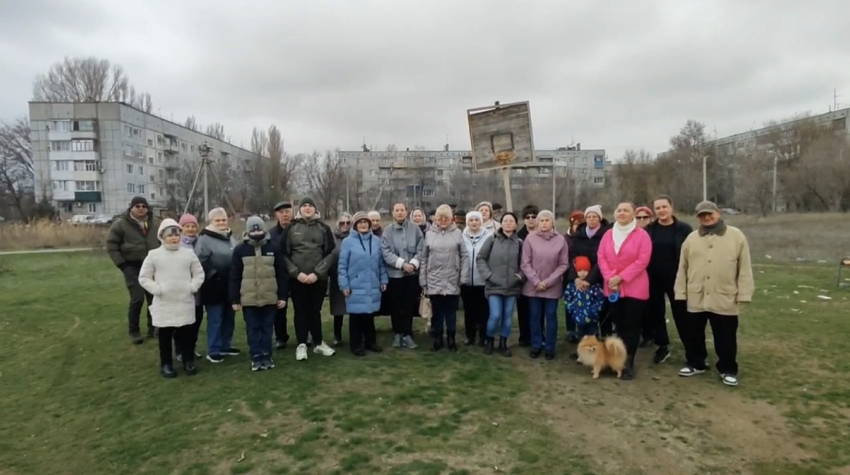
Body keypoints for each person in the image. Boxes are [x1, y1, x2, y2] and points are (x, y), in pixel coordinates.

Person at [674, 201, 753, 387]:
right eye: (702, 215)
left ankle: (728, 369)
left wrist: (744, 293)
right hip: (696, 295)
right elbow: (682, 268)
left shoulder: (736, 236)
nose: (707, 218)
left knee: (725, 336)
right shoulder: (691, 239)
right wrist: (680, 292)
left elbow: (745, 267)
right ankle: (696, 363)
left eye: (710, 214)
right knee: (693, 334)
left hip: (724, 296)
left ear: (718, 213)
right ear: (698, 217)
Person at [138, 219, 205, 378]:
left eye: (176, 235)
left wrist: (192, 287)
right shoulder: (154, 255)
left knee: (187, 334)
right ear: (162, 236)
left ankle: (188, 361)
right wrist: (158, 289)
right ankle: (166, 364)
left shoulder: (188, 254)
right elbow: (144, 277)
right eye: (170, 235)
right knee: (165, 335)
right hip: (164, 302)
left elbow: (199, 274)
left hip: (184, 300)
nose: (174, 238)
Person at [597, 202, 652, 380]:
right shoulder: (608, 234)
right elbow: (601, 257)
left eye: (626, 210)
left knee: (631, 326)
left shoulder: (642, 235)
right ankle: (616, 360)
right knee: (618, 326)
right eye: (619, 210)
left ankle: (628, 362)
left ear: (633, 214)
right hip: (612, 287)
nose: (622, 213)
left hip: (635, 287)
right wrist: (610, 277)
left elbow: (642, 260)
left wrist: (621, 277)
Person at [229, 216, 288, 371]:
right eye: (253, 230)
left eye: (259, 229)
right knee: (253, 328)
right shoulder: (240, 249)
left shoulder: (273, 248)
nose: (256, 233)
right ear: (248, 231)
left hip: (270, 297)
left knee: (267, 328)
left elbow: (282, 273)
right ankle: (256, 356)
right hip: (249, 298)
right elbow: (235, 275)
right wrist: (235, 299)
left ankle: (267, 355)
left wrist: (282, 296)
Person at [282, 197, 337, 361]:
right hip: (297, 279)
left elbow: (330, 253)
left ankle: (318, 343)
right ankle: (301, 345)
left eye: (310, 206)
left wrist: (317, 274)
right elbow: (284, 254)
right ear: (300, 209)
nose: (307, 208)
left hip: (317, 279)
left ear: (315, 209)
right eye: (304, 206)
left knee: (315, 311)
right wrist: (296, 273)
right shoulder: (291, 228)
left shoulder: (324, 228)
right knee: (300, 311)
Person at [645, 195, 693, 364]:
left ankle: (692, 350)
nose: (661, 211)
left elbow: (691, 254)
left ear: (671, 207)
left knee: (682, 315)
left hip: (677, 279)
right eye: (658, 208)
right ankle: (662, 346)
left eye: (664, 207)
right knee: (656, 314)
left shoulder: (684, 229)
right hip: (653, 279)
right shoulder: (649, 229)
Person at [106, 196, 161, 344]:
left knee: (153, 298)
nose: (141, 209)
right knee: (137, 298)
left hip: (151, 266)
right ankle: (134, 331)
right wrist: (122, 265)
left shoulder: (154, 223)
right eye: (138, 206)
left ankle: (154, 328)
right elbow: (112, 246)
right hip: (132, 266)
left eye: (143, 206)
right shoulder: (121, 225)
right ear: (132, 208)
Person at [521, 210, 569, 360]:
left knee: (551, 316)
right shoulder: (530, 238)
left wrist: (548, 282)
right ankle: (536, 345)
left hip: (552, 287)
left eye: (547, 220)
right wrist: (536, 281)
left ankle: (550, 347)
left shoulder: (560, 240)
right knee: (535, 316)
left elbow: (563, 264)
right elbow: (525, 263)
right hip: (533, 286)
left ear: (552, 222)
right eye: (541, 220)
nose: (544, 223)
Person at [338, 212, 388, 356]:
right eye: (360, 222)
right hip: (355, 285)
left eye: (365, 222)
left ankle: (370, 342)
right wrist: (344, 285)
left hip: (372, 283)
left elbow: (381, 264)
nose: (363, 224)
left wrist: (383, 280)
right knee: (356, 317)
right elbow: (342, 266)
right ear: (355, 225)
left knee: (369, 315)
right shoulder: (348, 242)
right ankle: (356, 345)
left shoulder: (376, 241)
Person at [420, 204, 469, 352]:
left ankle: (451, 338)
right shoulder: (429, 234)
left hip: (452, 278)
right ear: (435, 218)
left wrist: (463, 277)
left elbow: (464, 256)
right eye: (440, 218)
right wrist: (423, 280)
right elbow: (424, 258)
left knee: (451, 312)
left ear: (451, 219)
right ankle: (438, 338)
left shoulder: (457, 233)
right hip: (434, 279)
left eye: (446, 218)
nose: (443, 221)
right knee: (437, 312)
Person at [195, 207, 240, 363]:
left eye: (223, 219)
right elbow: (199, 261)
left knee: (229, 317)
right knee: (216, 318)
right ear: (211, 222)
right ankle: (213, 349)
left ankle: (225, 345)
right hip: (213, 284)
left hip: (231, 283)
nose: (221, 223)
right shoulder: (205, 238)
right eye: (217, 220)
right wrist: (214, 273)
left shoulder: (230, 237)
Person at [476, 212, 523, 357]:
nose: (508, 223)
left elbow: (525, 263)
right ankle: (490, 340)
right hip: (494, 286)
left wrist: (520, 276)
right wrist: (489, 276)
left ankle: (503, 343)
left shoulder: (519, 243)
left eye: (511, 221)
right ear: (501, 224)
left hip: (512, 286)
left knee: (508, 316)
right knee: (495, 315)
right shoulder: (492, 240)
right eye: (505, 221)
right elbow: (480, 258)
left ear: (516, 224)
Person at [381, 202, 425, 349]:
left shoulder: (415, 229)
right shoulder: (387, 231)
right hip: (394, 276)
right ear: (393, 213)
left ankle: (407, 334)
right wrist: (401, 264)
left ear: (407, 212)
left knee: (408, 305)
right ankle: (397, 334)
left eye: (402, 210)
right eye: (397, 210)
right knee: (395, 306)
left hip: (411, 275)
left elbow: (421, 248)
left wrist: (412, 264)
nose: (400, 213)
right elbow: (386, 252)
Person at [565, 205, 610, 343]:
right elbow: (572, 256)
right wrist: (576, 278)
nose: (591, 220)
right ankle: (582, 344)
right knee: (581, 311)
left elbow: (602, 259)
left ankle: (603, 341)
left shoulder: (605, 235)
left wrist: (589, 280)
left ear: (600, 218)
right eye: (589, 217)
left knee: (599, 311)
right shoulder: (580, 235)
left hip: (598, 278)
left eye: (594, 217)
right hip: (580, 278)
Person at [460, 210, 491, 347]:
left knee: (483, 311)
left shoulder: (489, 237)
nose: (474, 223)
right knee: (469, 310)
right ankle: (470, 336)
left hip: (482, 281)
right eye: (471, 220)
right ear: (467, 222)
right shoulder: (461, 237)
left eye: (476, 220)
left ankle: (483, 336)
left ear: (481, 221)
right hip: (466, 280)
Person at [176, 213, 203, 362]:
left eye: (193, 226)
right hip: (183, 288)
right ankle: (180, 349)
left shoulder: (200, 242)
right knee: (182, 322)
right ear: (182, 228)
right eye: (187, 226)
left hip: (198, 288)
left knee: (196, 320)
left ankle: (191, 348)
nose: (191, 229)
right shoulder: (178, 244)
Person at [269, 201, 293, 349]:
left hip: (298, 274)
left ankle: (305, 334)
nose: (284, 215)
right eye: (281, 212)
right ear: (277, 215)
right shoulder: (270, 235)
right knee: (279, 308)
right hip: (278, 275)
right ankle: (281, 337)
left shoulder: (298, 229)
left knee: (302, 308)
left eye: (287, 211)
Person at [563, 256, 604, 341]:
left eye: (585, 270)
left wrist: (594, 311)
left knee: (593, 338)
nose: (582, 273)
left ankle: (594, 353)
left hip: (592, 319)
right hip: (578, 318)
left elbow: (599, 299)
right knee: (581, 338)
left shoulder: (594, 286)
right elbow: (567, 298)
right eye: (580, 271)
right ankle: (582, 353)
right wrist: (572, 309)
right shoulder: (572, 286)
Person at [516, 204, 539, 347]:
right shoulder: (519, 236)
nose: (530, 220)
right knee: (523, 308)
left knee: (537, 311)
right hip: (523, 278)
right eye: (527, 217)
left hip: (540, 277)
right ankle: (524, 336)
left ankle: (538, 335)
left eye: (533, 216)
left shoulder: (544, 233)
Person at [328, 213, 352, 347]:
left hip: (353, 276)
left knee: (354, 308)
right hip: (336, 275)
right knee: (338, 309)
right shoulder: (332, 238)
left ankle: (356, 334)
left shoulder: (355, 237)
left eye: (348, 223)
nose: (345, 225)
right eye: (343, 223)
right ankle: (337, 335)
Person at [635, 205, 655, 346]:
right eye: (638, 217)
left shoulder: (654, 232)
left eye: (645, 217)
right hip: (635, 276)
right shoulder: (632, 233)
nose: (642, 220)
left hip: (653, 274)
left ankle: (650, 335)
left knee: (651, 308)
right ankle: (640, 333)